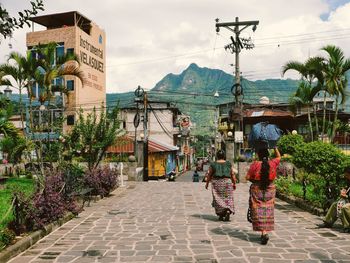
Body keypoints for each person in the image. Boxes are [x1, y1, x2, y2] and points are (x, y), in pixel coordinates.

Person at [246, 147, 281, 245]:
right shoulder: (273, 163)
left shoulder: (255, 164)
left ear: (259, 155)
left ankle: (263, 232)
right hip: (270, 189)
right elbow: (279, 157)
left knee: (258, 209)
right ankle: (265, 231)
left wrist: (256, 181)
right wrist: (275, 147)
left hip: (257, 189)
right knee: (268, 209)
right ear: (268, 155)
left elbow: (248, 177)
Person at [205, 150, 237, 221]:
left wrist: (207, 183)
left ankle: (221, 214)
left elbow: (209, 174)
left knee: (218, 198)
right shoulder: (228, 163)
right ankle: (228, 209)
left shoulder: (213, 164)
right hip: (227, 183)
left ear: (217, 156)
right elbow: (232, 174)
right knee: (228, 197)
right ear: (224, 156)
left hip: (217, 183)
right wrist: (234, 183)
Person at [317, 167, 350, 232]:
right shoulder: (348, 182)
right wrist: (344, 192)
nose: (346, 177)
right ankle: (328, 222)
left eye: (347, 175)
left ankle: (347, 226)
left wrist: (346, 196)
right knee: (335, 204)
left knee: (345, 207)